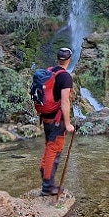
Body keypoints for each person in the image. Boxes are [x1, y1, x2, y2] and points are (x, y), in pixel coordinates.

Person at [39, 46, 75, 196]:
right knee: (54, 151)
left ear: (57, 58)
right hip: (57, 120)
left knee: (49, 147)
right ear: (69, 60)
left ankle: (44, 169)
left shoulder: (50, 71)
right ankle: (48, 187)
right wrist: (67, 124)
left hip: (46, 118)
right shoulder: (65, 77)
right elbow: (65, 102)